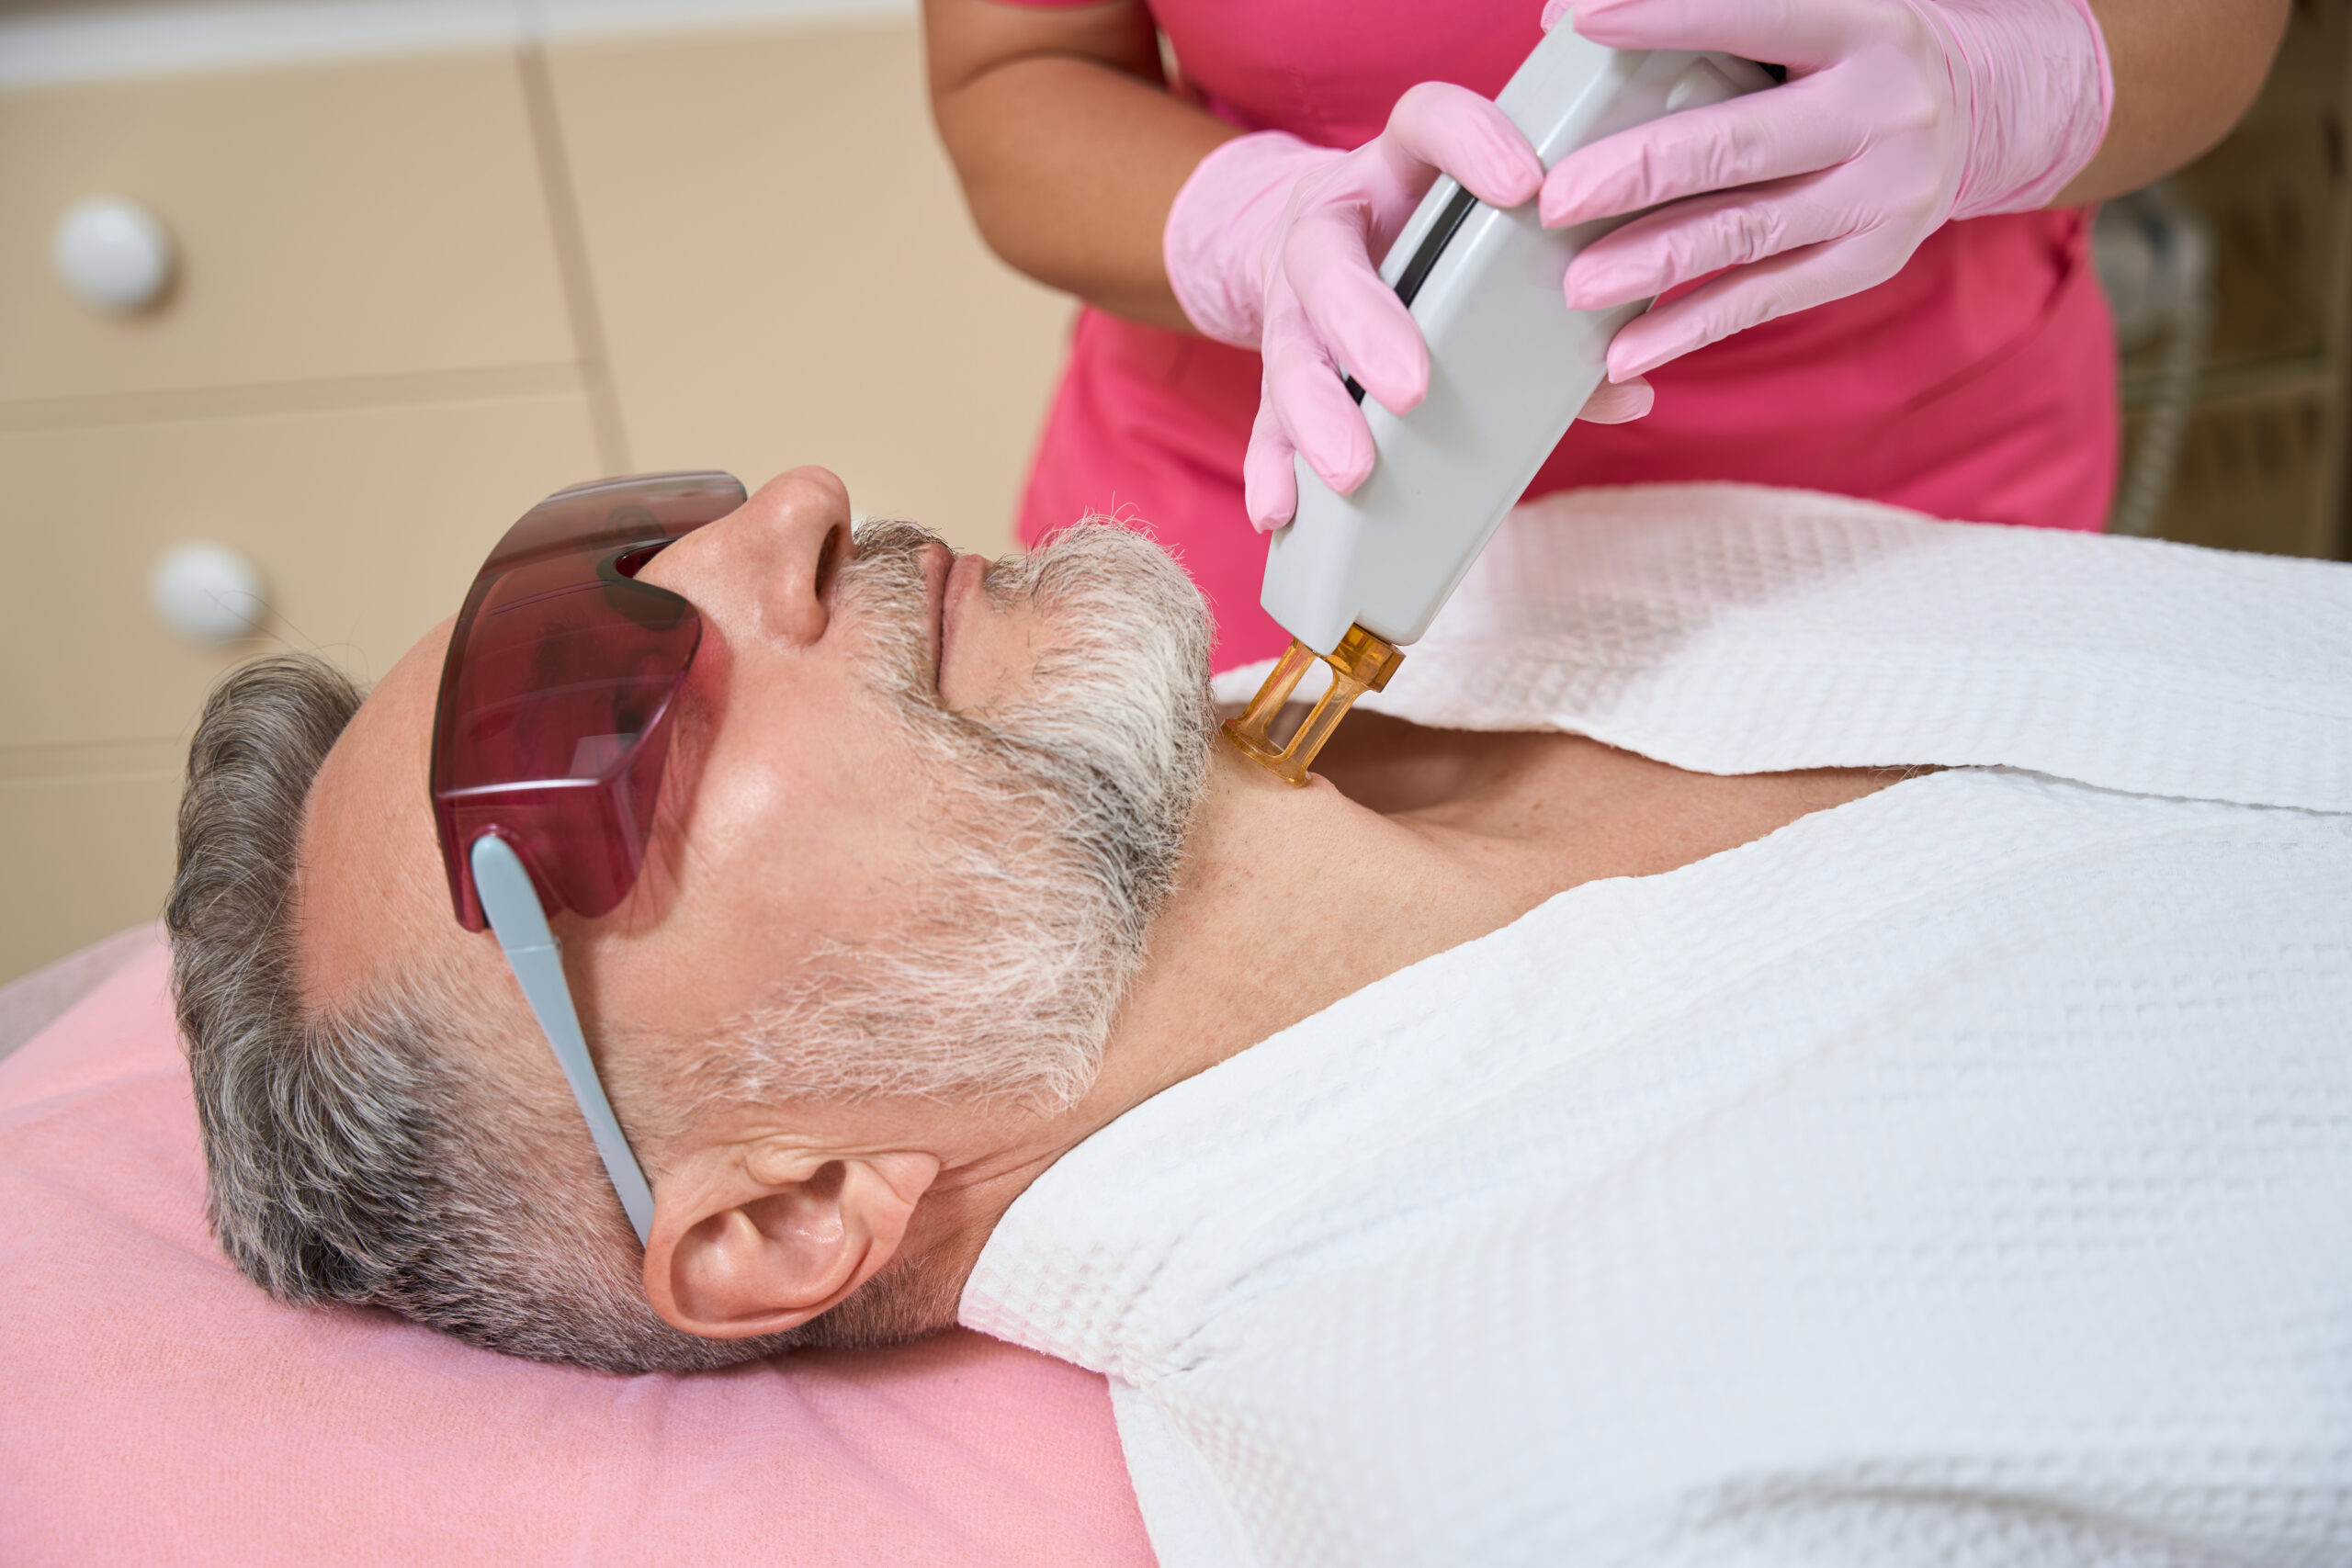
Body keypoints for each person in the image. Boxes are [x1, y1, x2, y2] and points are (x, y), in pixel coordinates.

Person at [169, 469, 2352, 1564]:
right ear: (784, 1206)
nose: (787, 513)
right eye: (587, 709)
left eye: (623, 535)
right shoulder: (1586, 1491)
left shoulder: (1536, 557)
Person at [925, 0, 2291, 668]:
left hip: (1897, 511)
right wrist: (1252, 222)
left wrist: (2003, 88)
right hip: (1292, 478)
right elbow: (1016, 72)